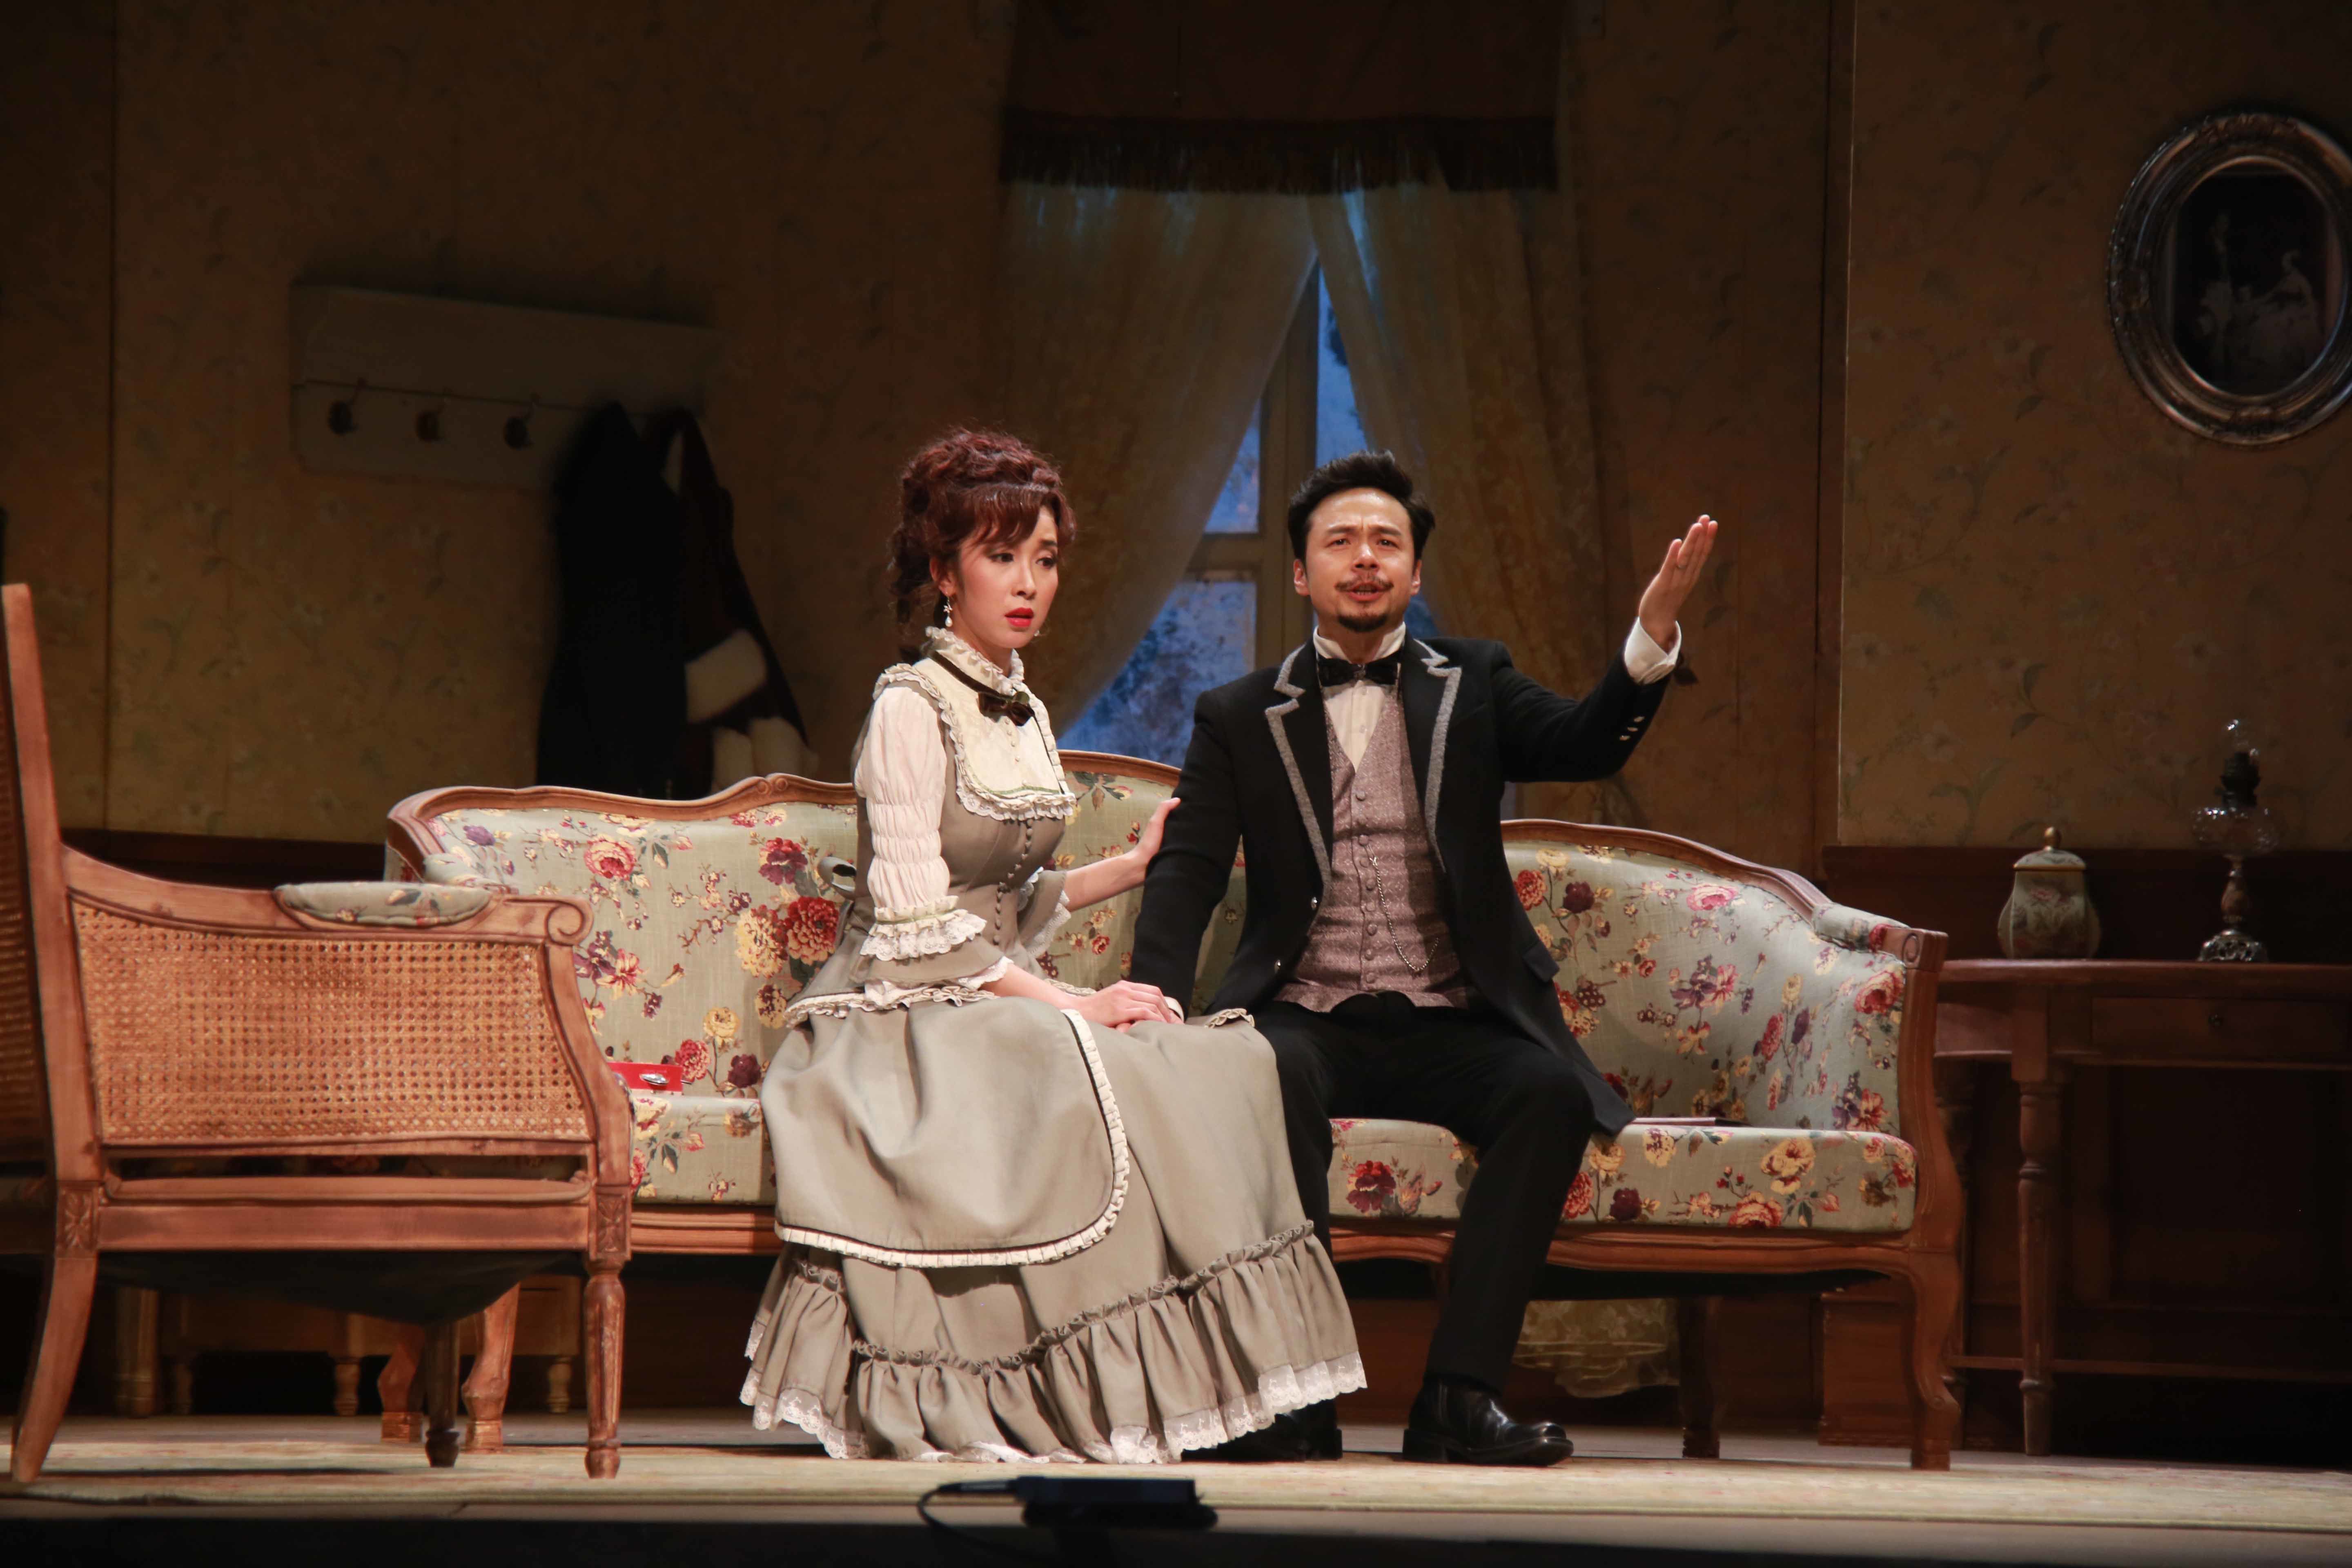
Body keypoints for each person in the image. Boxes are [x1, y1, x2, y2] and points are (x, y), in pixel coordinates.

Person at [741, 429, 1362, 1462]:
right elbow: (917, 923)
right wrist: (1078, 1004)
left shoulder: (1019, 704)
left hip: (980, 987)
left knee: (1215, 1056)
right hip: (897, 1009)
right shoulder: (908, 708)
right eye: (1002, 557)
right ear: (945, 573)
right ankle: (1043, 1390)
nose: (1030, 583)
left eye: (1046, 558)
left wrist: (1126, 867)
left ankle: (1234, 1394)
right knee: (1079, 1050)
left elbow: (1000, 897)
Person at [1131, 451, 1716, 1466]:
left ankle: (1458, 1398)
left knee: (1549, 1094)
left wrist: (1651, 637)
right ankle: (1296, 1398)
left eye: (1386, 543)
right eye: (1341, 542)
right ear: (1304, 573)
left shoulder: (1474, 681)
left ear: (1414, 572)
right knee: (1258, 1075)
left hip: (1453, 1016)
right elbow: (1188, 868)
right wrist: (1154, 1000)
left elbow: (1585, 746)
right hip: (1306, 1014)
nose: (1365, 558)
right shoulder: (1238, 713)